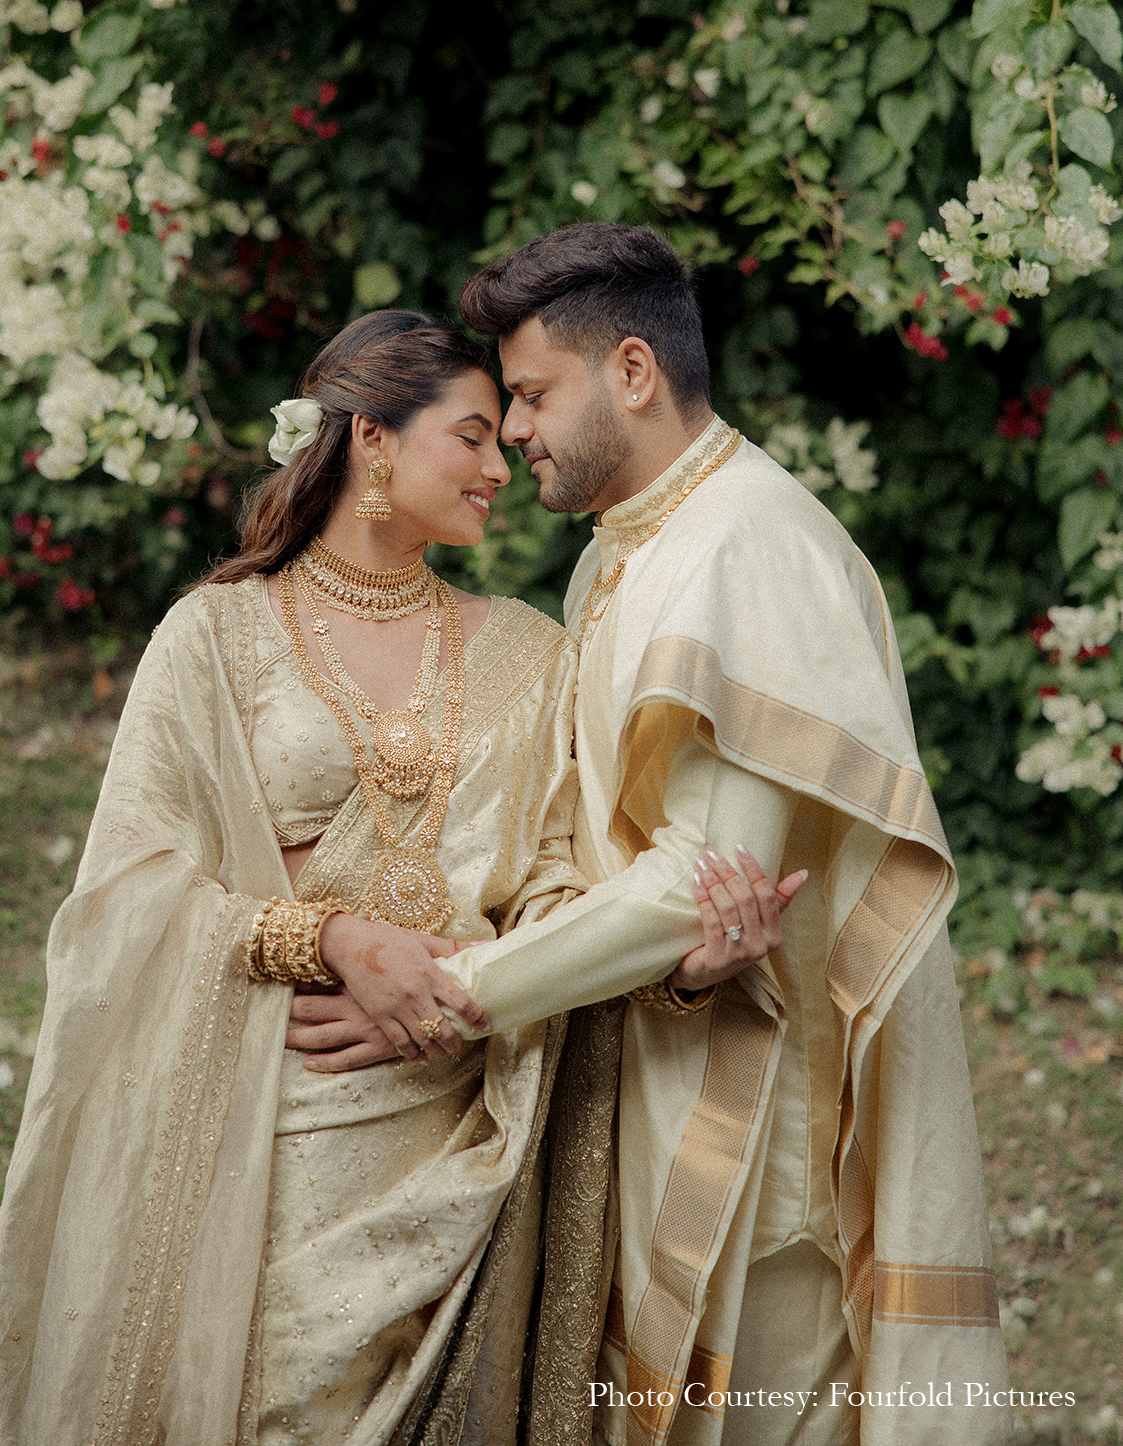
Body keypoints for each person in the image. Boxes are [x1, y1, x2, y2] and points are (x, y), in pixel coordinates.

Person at [0, 309, 792, 1446]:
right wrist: (329, 942)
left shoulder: (530, 650)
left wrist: (679, 972)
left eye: (503, 440)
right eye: (470, 437)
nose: (500, 469)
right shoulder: (213, 637)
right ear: (371, 439)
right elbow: (128, 889)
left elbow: (561, 882)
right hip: (268, 1113)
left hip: (460, 1119)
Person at [293, 230, 1009, 1445]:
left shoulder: (745, 548)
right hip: (658, 1059)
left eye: (528, 394)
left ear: (632, 371)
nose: (512, 432)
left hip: (759, 1128)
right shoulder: (630, 552)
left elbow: (697, 888)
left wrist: (447, 991)